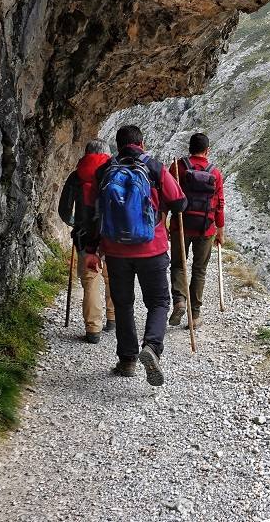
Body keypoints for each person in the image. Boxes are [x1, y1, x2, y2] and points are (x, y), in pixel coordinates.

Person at [81, 125, 187, 386]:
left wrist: (92, 250)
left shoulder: (104, 171)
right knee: (159, 301)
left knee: (124, 303)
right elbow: (179, 202)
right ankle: (151, 347)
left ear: (117, 145)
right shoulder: (154, 167)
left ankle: (127, 360)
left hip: (115, 250)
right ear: (143, 142)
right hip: (152, 248)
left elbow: (92, 214)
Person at [57, 139, 115, 344]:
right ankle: (112, 318)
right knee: (111, 276)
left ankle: (93, 329)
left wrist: (75, 223)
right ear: (107, 155)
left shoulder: (76, 176)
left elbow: (64, 210)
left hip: (85, 235)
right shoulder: (114, 173)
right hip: (111, 234)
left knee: (90, 280)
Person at [168, 133, 225, 329]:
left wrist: (164, 221)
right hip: (206, 228)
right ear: (207, 150)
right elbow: (220, 205)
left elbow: (168, 196)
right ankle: (195, 315)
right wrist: (220, 231)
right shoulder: (215, 173)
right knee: (199, 270)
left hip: (181, 225)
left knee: (177, 264)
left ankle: (179, 301)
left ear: (189, 148)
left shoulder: (178, 167)